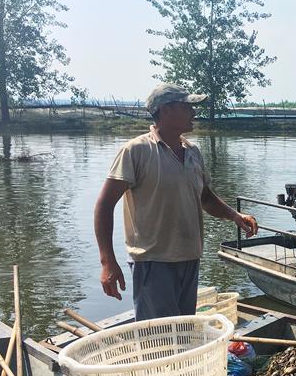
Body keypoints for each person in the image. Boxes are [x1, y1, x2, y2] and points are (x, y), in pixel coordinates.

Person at [94, 83, 258, 321]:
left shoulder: (192, 152)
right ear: (166, 110)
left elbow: (204, 197)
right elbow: (104, 205)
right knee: (159, 338)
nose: (194, 113)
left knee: (183, 334)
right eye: (187, 107)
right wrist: (107, 262)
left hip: (189, 257)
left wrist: (235, 216)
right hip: (154, 261)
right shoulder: (136, 151)